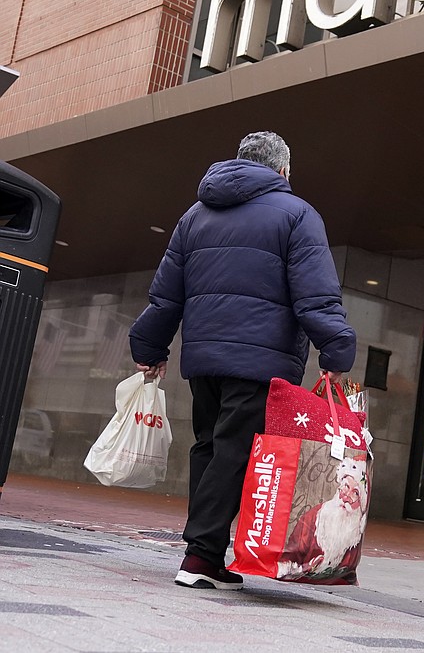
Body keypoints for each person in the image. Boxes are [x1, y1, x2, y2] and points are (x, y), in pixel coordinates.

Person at [129, 131, 356, 590]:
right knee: (235, 453)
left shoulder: (195, 216)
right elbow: (315, 295)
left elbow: (166, 295)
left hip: (205, 359)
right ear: (283, 170)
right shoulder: (298, 215)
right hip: (260, 360)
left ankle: (206, 554)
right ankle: (200, 556)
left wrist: (149, 348)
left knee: (210, 448)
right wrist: (336, 348)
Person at [278, 456, 369, 584]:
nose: (347, 496)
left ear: (361, 503)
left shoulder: (355, 532)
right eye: (346, 487)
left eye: (355, 493)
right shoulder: (315, 517)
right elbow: (289, 557)